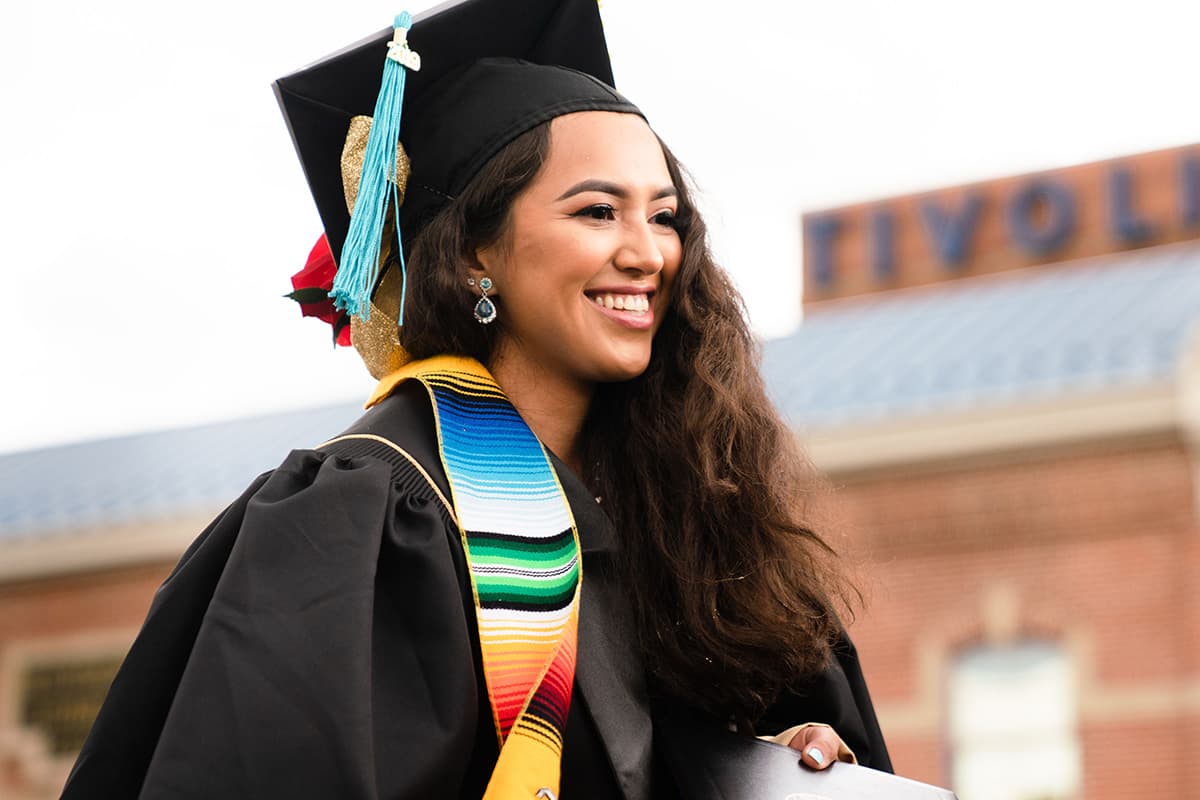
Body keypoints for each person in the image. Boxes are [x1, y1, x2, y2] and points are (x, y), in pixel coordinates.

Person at [62, 1, 890, 797]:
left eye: (665, 216)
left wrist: (771, 765)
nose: (648, 253)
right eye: (598, 210)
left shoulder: (692, 509)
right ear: (472, 257)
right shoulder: (366, 517)